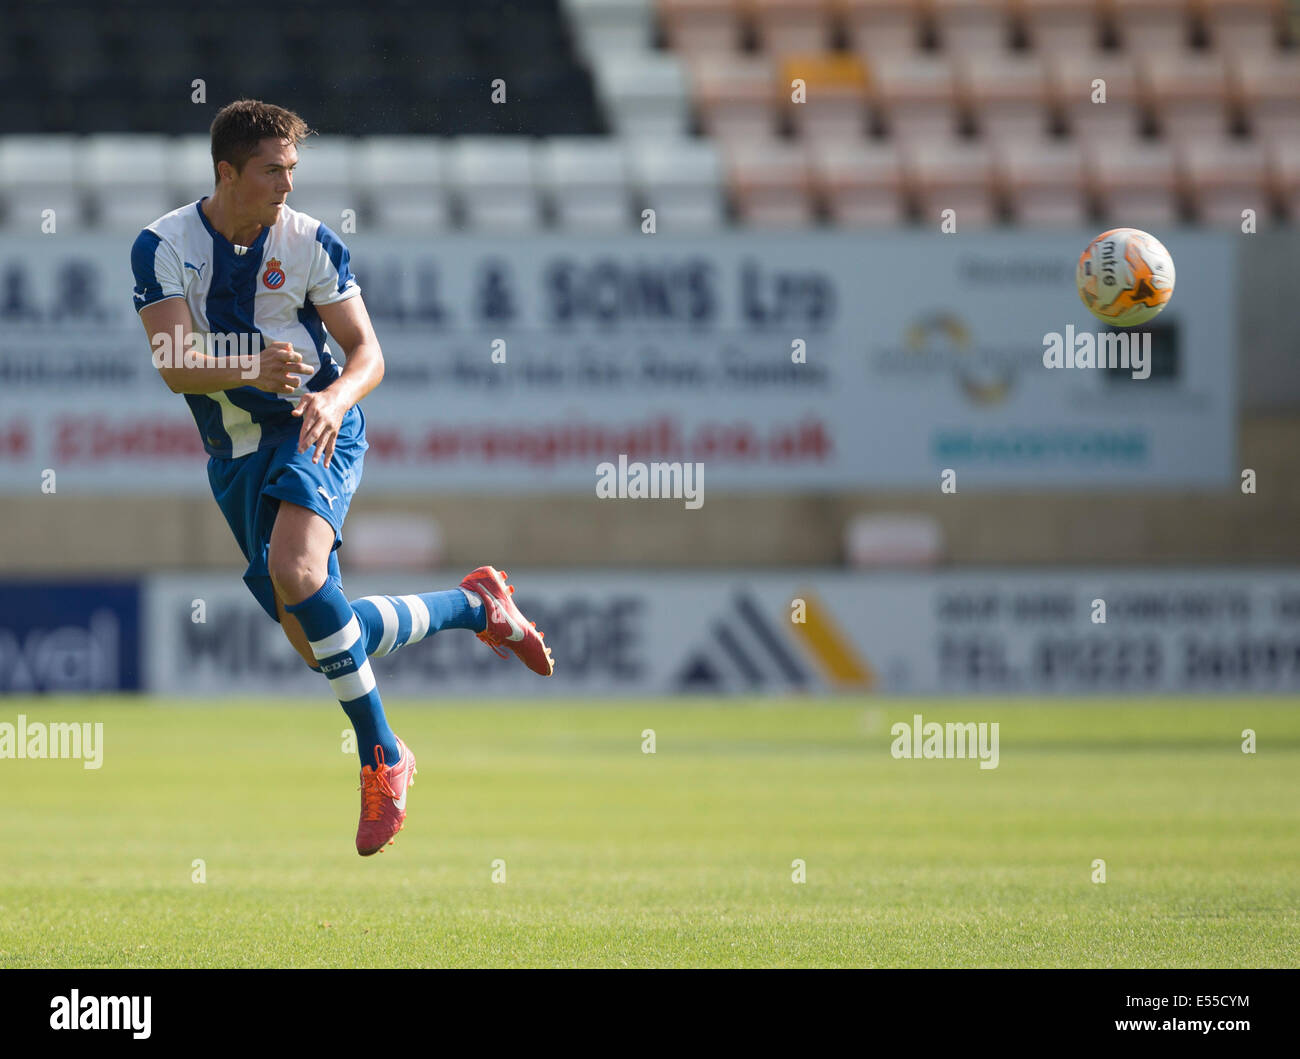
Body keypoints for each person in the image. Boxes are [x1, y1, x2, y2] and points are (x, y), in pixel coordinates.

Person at [130, 99, 553, 856]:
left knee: (297, 569)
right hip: (234, 454)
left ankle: (383, 754)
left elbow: (369, 355)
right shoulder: (161, 245)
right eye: (272, 172)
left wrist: (332, 395)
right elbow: (171, 365)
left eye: (293, 170)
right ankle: (473, 606)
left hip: (314, 425)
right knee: (329, 638)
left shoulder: (311, 243)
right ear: (227, 173)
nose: (287, 186)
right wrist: (247, 366)